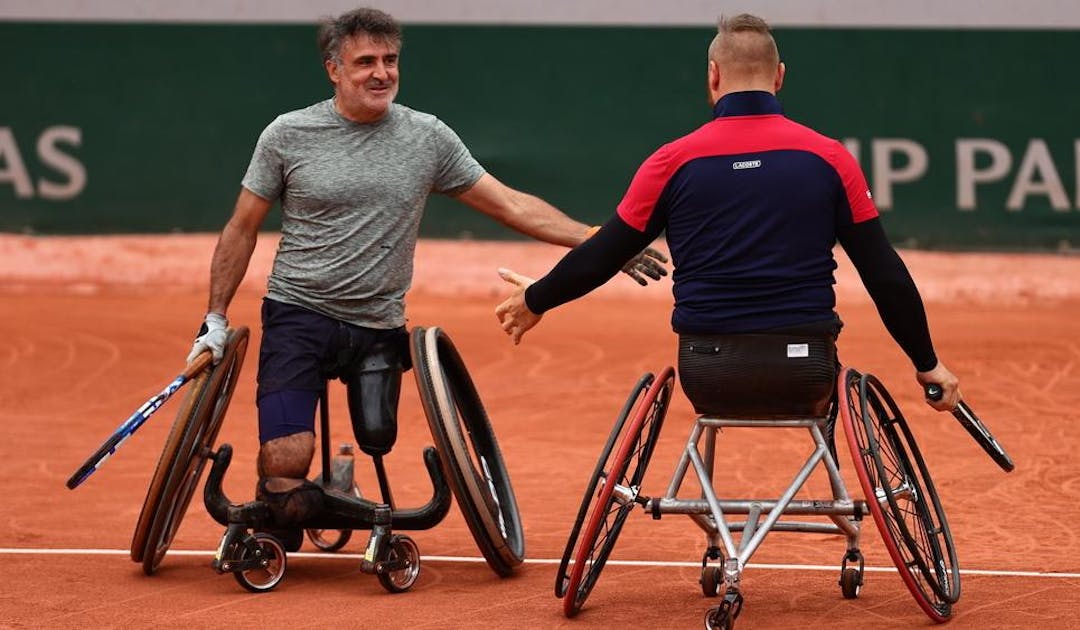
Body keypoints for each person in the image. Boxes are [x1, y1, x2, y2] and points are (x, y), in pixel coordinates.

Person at [184, 7, 667, 549]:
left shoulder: (426, 137)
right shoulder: (287, 135)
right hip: (298, 315)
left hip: (378, 326)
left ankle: (328, 491)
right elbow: (240, 227)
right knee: (285, 472)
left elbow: (508, 204)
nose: (381, 73)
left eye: (390, 60)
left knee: (377, 436)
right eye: (365, 61)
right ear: (333, 70)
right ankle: (303, 498)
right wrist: (215, 318)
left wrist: (597, 241)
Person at [495, 13, 961, 422]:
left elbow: (602, 255)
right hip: (805, 370)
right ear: (779, 77)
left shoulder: (671, 162)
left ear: (713, 76)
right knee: (817, 368)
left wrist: (536, 300)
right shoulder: (831, 159)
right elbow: (884, 274)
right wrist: (927, 363)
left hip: (708, 373)